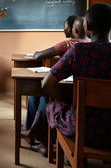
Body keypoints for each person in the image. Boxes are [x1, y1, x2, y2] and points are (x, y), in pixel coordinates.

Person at [43, 3, 111, 150]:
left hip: (82, 129)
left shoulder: (78, 51)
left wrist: (69, 102)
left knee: (50, 106)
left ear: (88, 26)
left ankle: (68, 153)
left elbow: (46, 84)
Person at [21, 15, 89, 156]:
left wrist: (62, 99)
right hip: (96, 109)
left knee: (47, 97)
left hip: (76, 106)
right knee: (44, 95)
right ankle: (31, 131)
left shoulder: (72, 47)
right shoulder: (93, 47)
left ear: (73, 30)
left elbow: (46, 81)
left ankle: (44, 142)